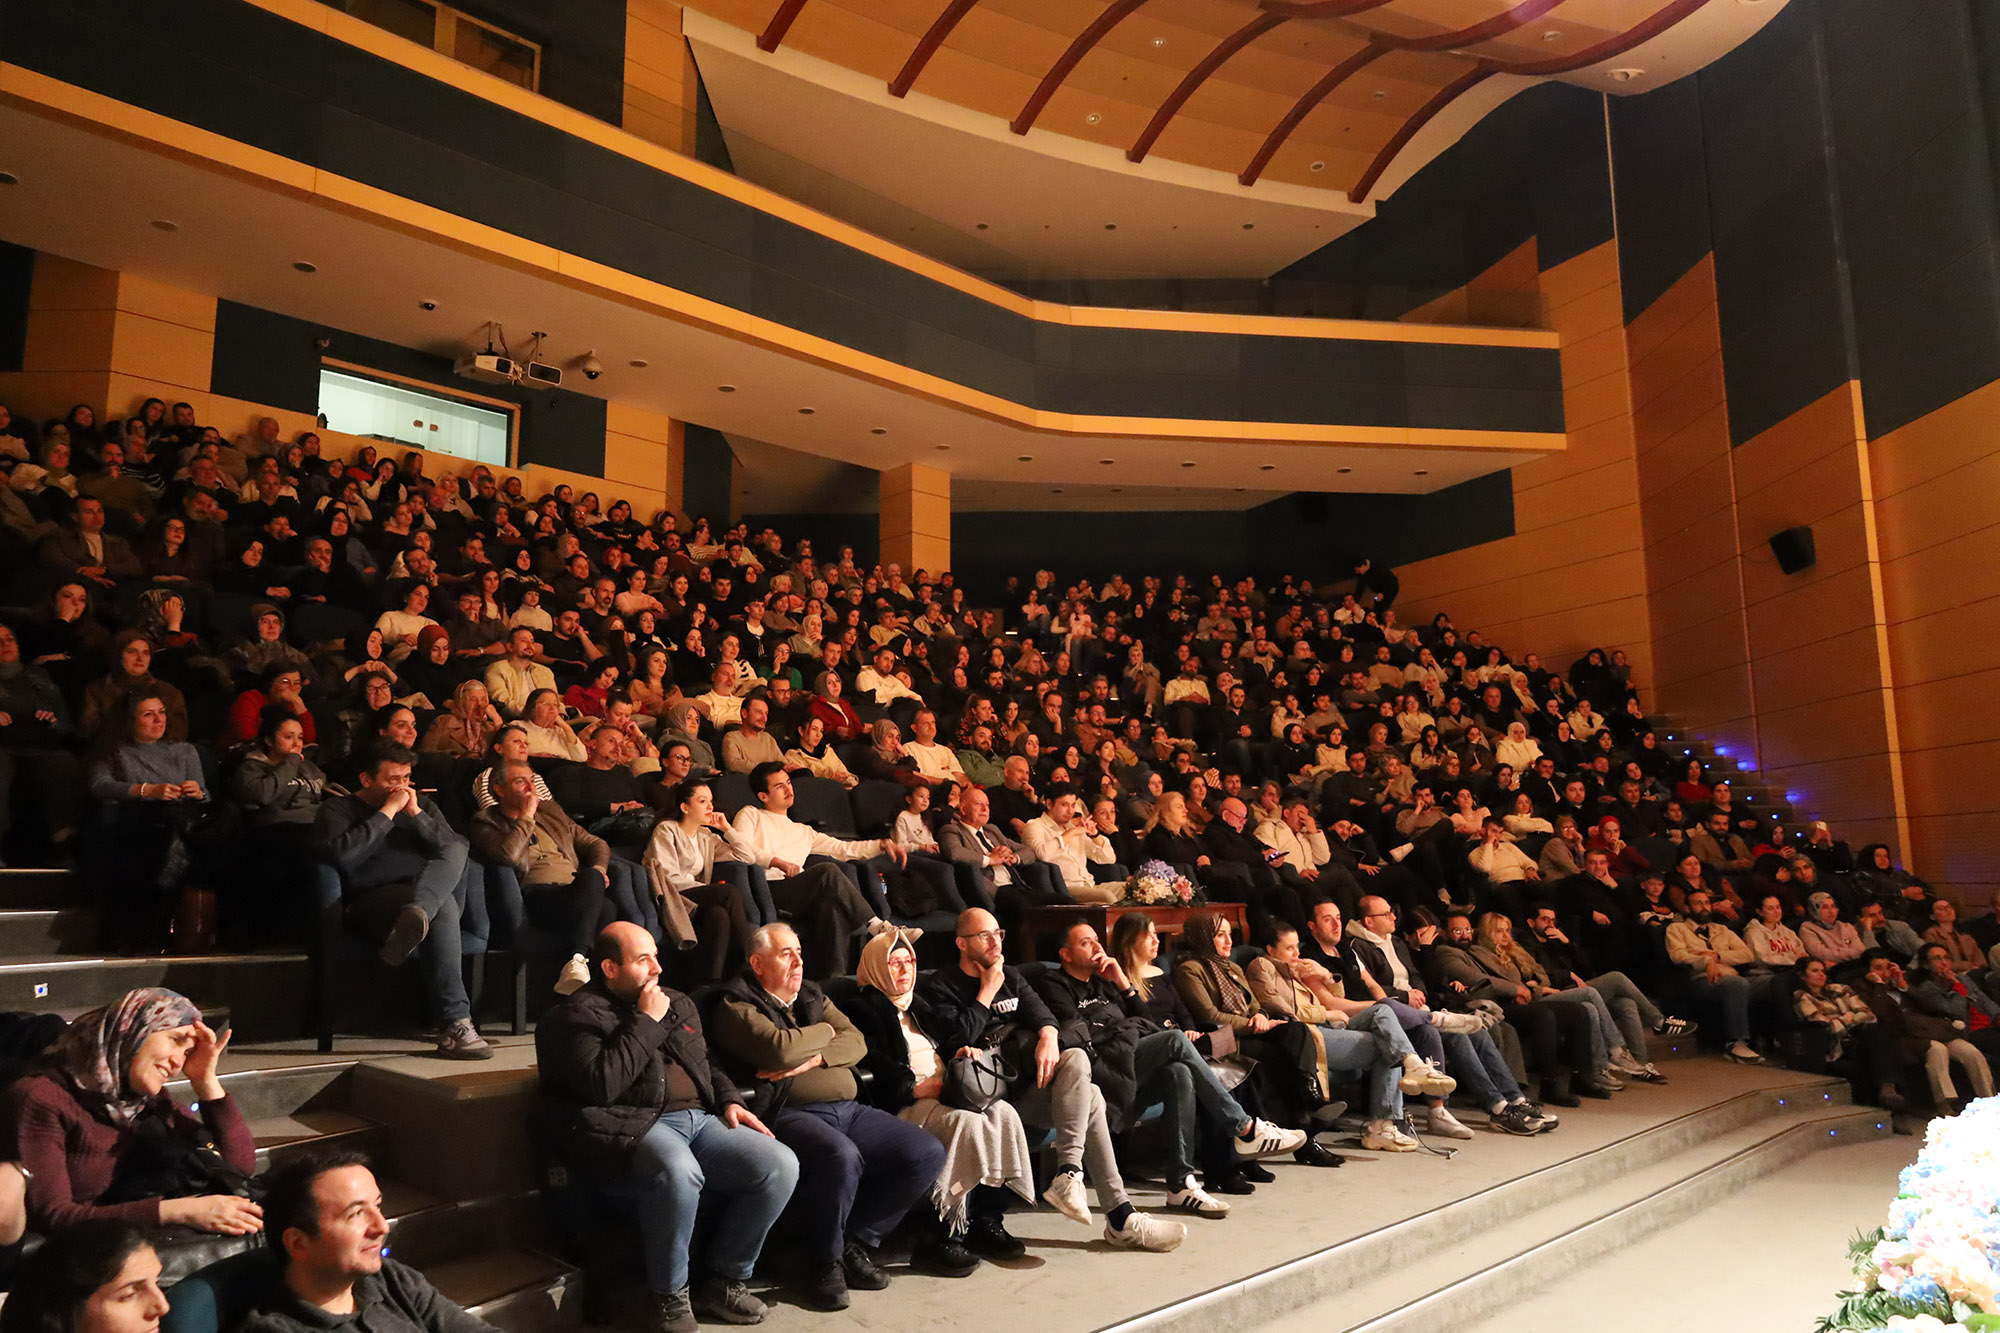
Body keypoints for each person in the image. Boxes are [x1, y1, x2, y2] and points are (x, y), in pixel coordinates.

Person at [531, 923, 796, 1333]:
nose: (657, 967)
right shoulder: (573, 1017)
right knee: (678, 1172)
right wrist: (646, 1021)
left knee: (779, 1164)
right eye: (642, 960)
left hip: (700, 1120)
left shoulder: (677, 1002)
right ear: (609, 967)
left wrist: (728, 1100)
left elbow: (704, 1063)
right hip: (635, 1123)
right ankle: (668, 1296)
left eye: (655, 955)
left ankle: (726, 1280)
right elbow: (602, 1084)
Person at [916, 909, 1186, 1251]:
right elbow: (955, 1039)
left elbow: (1043, 1014)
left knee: (1075, 1062)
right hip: (990, 1091)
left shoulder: (1012, 976)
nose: (995, 941)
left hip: (1031, 1085)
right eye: (984, 936)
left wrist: (1046, 1035)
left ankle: (1074, 1177)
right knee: (1091, 1095)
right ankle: (1117, 1214)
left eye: (998, 933)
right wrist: (986, 992)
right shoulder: (943, 984)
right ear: (961, 943)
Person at [709, 924, 946, 1308]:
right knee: (841, 1156)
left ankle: (853, 1242)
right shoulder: (737, 1005)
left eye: (800, 952)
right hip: (787, 1113)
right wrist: (824, 1032)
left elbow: (856, 1040)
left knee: (925, 1152)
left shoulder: (811, 994)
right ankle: (823, 1264)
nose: (798, 961)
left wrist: (816, 1057)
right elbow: (780, 1050)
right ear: (757, 963)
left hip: (849, 1108)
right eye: (786, 953)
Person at [1031, 921, 1306, 1212]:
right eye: (1086, 943)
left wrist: (1123, 983)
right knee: (1174, 1040)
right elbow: (1083, 1035)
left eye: (1098, 940)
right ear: (1066, 954)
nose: (1098, 947)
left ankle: (1181, 1183)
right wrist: (1124, 1030)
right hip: (1099, 1068)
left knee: (1179, 1074)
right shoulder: (1053, 984)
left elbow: (1145, 1022)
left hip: (1127, 1062)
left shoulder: (1104, 981)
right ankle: (1244, 1128)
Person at [846, 927, 1032, 1265]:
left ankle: (987, 1220)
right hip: (904, 1102)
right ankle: (942, 1233)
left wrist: (958, 1051)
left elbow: (948, 1040)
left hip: (945, 1090)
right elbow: (868, 1062)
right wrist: (912, 1087)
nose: (905, 970)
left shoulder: (920, 1002)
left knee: (1003, 1113)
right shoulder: (862, 1009)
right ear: (876, 966)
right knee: (965, 1123)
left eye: (909, 962)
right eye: (895, 963)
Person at [5, 989, 260, 1236]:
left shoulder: (143, 1101)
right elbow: (54, 1216)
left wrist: (206, 1082)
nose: (178, 1062)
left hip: (135, 1247)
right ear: (132, 1032)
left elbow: (238, 1166)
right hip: (83, 1261)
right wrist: (177, 1211)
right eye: (175, 1040)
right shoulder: (40, 1097)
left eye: (187, 1053)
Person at [1174, 909, 1427, 1152]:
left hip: (1298, 1026)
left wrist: (1326, 976)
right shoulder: (1216, 968)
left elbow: (1260, 1005)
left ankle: (1411, 1059)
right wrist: (1260, 1021)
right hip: (1234, 1036)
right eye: (1220, 935)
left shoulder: (1236, 968)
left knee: (1382, 1016)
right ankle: (1319, 1119)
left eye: (1230, 934)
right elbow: (1214, 1015)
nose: (1229, 940)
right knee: (1374, 1040)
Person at [312, 745, 491, 1059]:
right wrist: (387, 812)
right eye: (393, 779)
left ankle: (419, 912)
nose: (402, 787)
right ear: (366, 779)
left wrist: (416, 815)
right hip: (373, 900)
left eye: (407, 778)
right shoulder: (337, 809)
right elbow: (342, 858)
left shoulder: (422, 806)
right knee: (443, 908)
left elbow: (454, 850)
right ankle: (455, 1023)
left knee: (457, 849)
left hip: (423, 893)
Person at [241, 1151, 495, 1333]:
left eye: (378, 1206)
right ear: (298, 1243)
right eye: (356, 1214)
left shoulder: (391, 1279)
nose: (382, 1226)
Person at [471, 760, 626, 997]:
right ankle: (590, 988)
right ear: (499, 789)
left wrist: (599, 867)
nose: (530, 788)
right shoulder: (485, 822)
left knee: (599, 889)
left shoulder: (551, 811)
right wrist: (526, 816)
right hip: (534, 897)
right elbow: (508, 856)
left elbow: (595, 842)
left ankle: (577, 964)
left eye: (532, 781)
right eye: (520, 782)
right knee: (605, 908)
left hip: (572, 892)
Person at [728, 763, 894, 978]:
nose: (789, 790)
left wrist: (881, 844)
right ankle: (876, 927)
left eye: (789, 783)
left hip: (796, 890)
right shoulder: (750, 814)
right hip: (765, 887)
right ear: (763, 795)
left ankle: (833, 979)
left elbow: (844, 849)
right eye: (779, 786)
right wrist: (776, 862)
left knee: (830, 906)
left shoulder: (803, 831)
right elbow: (742, 848)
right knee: (827, 871)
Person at [640, 779, 766, 984]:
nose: (710, 807)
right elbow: (667, 877)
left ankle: (710, 983)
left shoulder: (705, 836)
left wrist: (726, 828)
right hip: (669, 895)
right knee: (728, 893)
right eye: (702, 801)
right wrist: (708, 889)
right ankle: (752, 963)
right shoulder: (667, 830)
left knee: (719, 915)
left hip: (694, 899)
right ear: (685, 807)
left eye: (710, 801)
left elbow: (747, 857)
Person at [1854, 951, 1994, 1114]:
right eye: (1878, 969)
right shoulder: (1862, 987)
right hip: (1906, 1036)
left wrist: (1903, 985)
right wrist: (1878, 985)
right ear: (1868, 972)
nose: (1885, 973)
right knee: (1937, 1050)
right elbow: (1880, 1013)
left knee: (1970, 1052)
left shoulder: (1899, 984)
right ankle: (1946, 1102)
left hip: (1932, 1030)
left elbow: (1929, 1005)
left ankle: (1989, 1099)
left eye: (1887, 967)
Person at [1663, 889, 1766, 1064]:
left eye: (1706, 903)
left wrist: (1717, 957)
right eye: (1698, 903)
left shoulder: (1722, 929)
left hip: (1731, 977)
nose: (1704, 907)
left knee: (1772, 982)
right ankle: (1736, 1043)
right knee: (1737, 984)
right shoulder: (1677, 929)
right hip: (1701, 979)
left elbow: (1747, 954)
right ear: (1687, 908)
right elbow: (1678, 955)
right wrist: (1705, 961)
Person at [937, 785, 1066, 918]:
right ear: (963, 809)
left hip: (1017, 886)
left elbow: (1029, 851)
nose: (984, 809)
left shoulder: (991, 830)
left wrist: (1013, 856)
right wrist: (990, 859)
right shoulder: (952, 830)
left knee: (1064, 903)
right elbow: (954, 852)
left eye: (987, 805)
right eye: (978, 804)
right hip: (995, 890)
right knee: (1026, 908)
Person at [1792, 958, 1905, 1109]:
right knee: (1879, 1039)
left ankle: (1888, 1091)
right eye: (1814, 971)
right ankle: (1888, 1090)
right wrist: (1849, 1018)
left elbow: (1870, 1015)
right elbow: (1826, 1028)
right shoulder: (1802, 997)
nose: (1821, 975)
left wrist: (1841, 1021)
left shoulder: (1840, 989)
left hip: (1860, 1037)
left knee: (1878, 1033)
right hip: (1836, 1046)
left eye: (1823, 971)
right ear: (1802, 976)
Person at [1019, 785, 1122, 905]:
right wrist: (1070, 833)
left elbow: (1108, 859)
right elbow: (1042, 854)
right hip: (1065, 889)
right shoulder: (1035, 826)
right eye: (1064, 805)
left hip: (1090, 885)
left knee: (1134, 889)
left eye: (1073, 805)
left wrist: (1094, 835)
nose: (1070, 811)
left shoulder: (1074, 828)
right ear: (1049, 804)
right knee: (1108, 897)